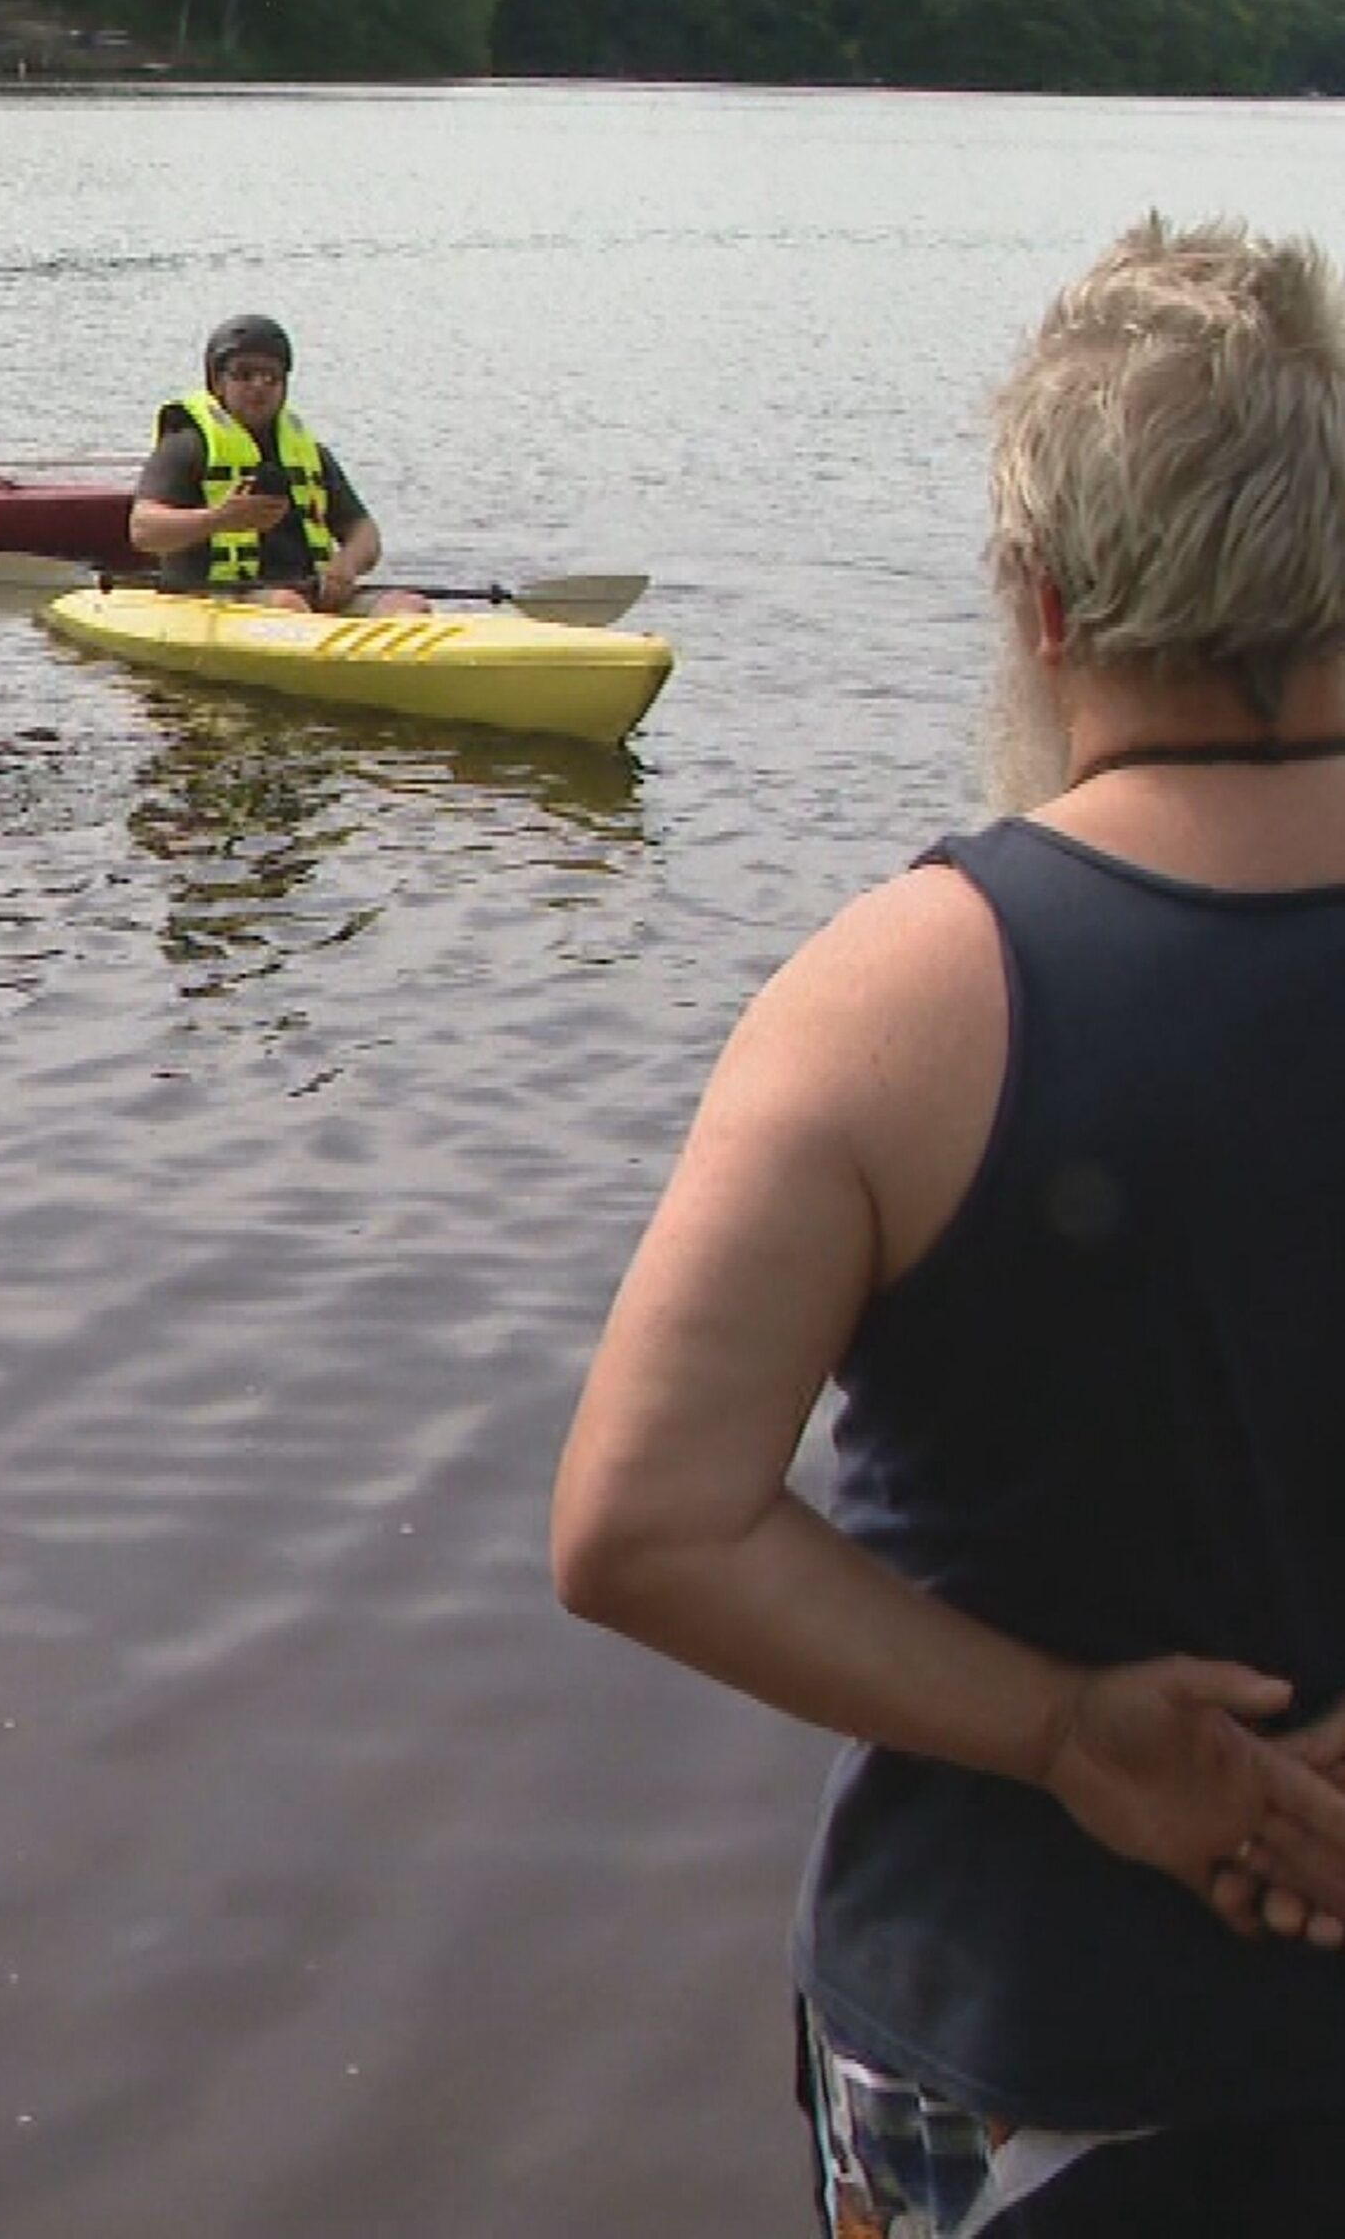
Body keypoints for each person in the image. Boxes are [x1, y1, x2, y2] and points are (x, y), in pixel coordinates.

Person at [551, 215, 1345, 2234]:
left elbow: (644, 1520)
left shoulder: (898, 994)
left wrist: (1072, 1731)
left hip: (1022, 2032)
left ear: (1043, 598)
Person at [129, 313, 427, 613]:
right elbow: (143, 531)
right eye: (244, 375)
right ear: (218, 383)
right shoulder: (186, 447)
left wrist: (345, 565)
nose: (259, 386)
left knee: (409, 606)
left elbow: (365, 533)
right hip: (216, 597)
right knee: (287, 606)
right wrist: (220, 519)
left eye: (271, 376)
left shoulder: (310, 454)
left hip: (310, 593)